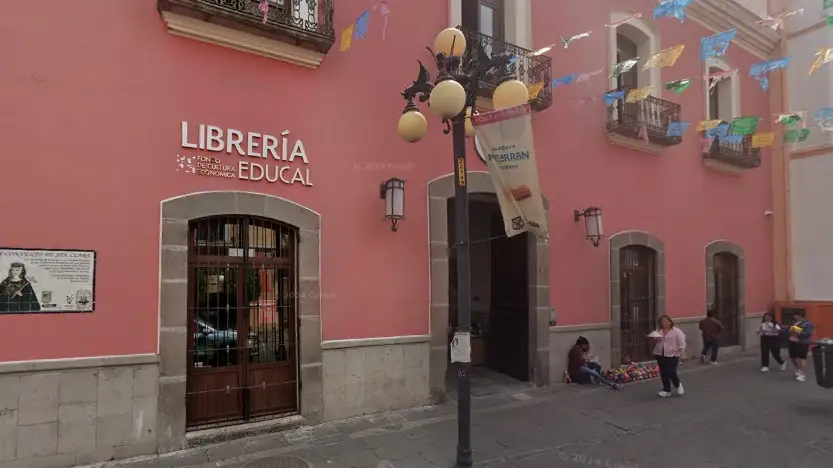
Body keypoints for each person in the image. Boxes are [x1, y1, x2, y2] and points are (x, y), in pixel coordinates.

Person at [652, 315, 687, 398]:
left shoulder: (677, 331)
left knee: (671, 371)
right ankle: (666, 390)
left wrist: (682, 353)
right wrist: (655, 338)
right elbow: (655, 341)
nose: (663, 323)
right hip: (660, 353)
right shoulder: (659, 331)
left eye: (665, 321)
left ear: (670, 322)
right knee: (663, 372)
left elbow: (681, 342)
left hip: (672, 354)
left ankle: (678, 385)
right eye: (662, 321)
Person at [787, 310, 815, 382]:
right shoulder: (795, 322)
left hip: (802, 343)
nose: (794, 317)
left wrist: (797, 331)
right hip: (792, 341)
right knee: (793, 357)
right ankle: (798, 368)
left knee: (802, 358)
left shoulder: (808, 324)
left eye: (795, 315)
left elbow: (808, 334)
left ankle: (802, 374)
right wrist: (790, 330)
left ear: (800, 315)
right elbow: (790, 330)